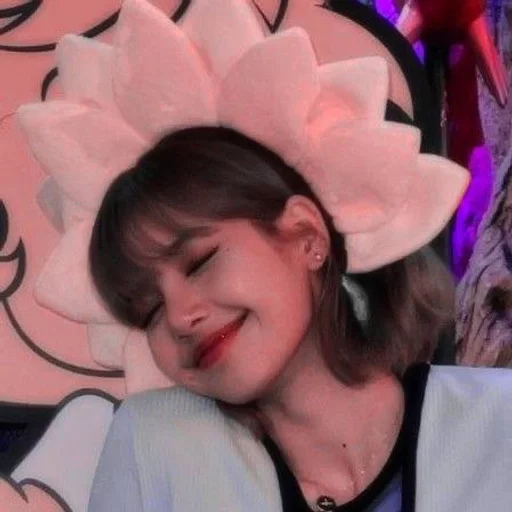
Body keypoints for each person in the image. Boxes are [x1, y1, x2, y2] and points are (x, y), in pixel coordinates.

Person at [15, 0, 512, 511]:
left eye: (200, 261)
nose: (180, 317)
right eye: (149, 311)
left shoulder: (499, 423)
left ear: (306, 235)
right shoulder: (152, 445)